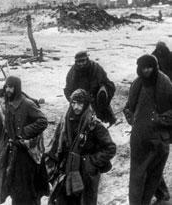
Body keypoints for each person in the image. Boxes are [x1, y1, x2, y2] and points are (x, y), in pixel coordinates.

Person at [46, 89, 116, 205]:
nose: (76, 107)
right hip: (66, 170)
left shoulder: (94, 124)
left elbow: (110, 148)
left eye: (80, 103)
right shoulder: (65, 121)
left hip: (85, 174)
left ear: (86, 104)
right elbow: (55, 144)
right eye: (73, 103)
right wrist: (52, 168)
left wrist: (91, 162)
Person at [0, 76, 49, 205]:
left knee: (27, 189)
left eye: (11, 87)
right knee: (12, 188)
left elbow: (43, 121)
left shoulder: (27, 104)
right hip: (9, 152)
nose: (8, 90)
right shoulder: (4, 105)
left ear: (17, 88)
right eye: (6, 87)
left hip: (25, 154)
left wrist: (23, 133)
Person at [124, 54, 172, 205]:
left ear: (155, 67)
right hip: (139, 138)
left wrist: (159, 120)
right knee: (137, 175)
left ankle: (155, 197)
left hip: (158, 138)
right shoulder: (137, 84)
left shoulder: (165, 83)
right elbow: (128, 107)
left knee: (153, 173)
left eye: (149, 67)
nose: (146, 71)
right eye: (143, 67)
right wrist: (133, 120)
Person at [64, 51, 116, 125]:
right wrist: (73, 98)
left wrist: (94, 95)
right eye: (78, 61)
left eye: (83, 61)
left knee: (99, 115)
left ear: (87, 59)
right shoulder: (73, 71)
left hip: (95, 94)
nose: (81, 63)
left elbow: (104, 82)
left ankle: (106, 120)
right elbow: (69, 86)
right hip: (80, 96)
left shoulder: (95, 67)